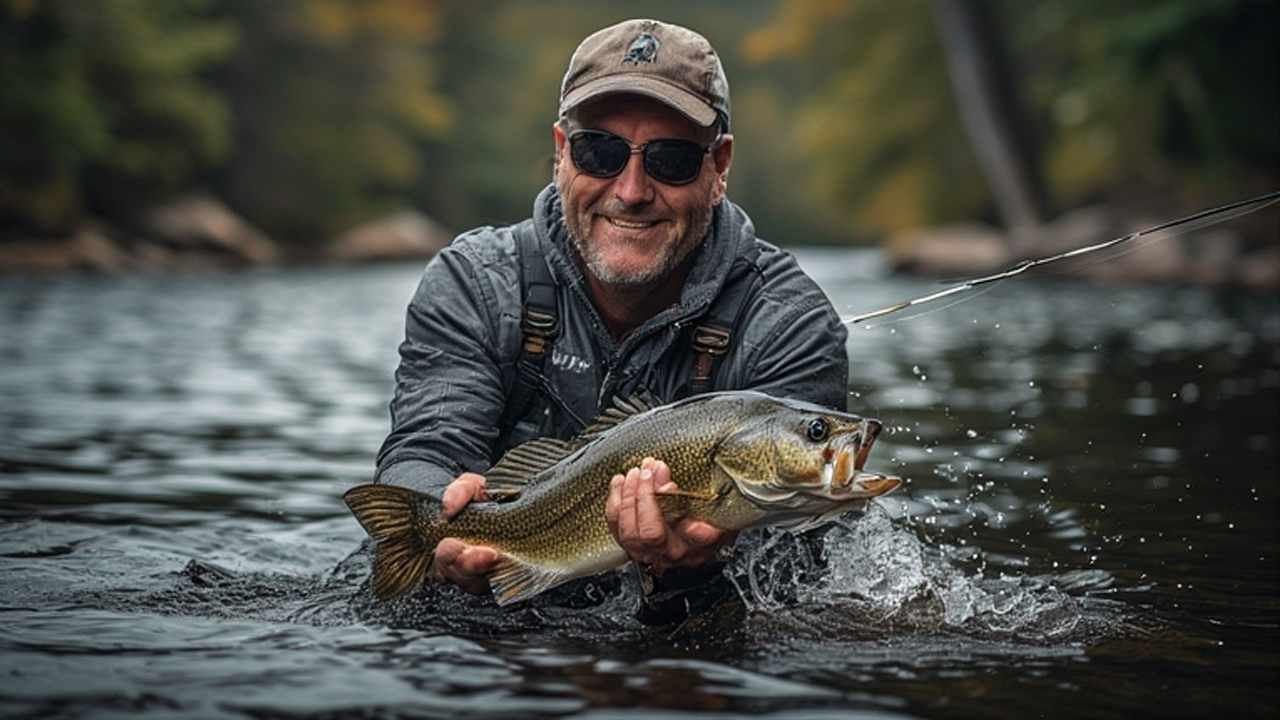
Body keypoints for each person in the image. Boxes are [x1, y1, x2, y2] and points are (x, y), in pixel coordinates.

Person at [374, 18, 849, 616]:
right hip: (499, 616)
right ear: (560, 153)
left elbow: (799, 573)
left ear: (719, 166)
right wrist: (433, 511)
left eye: (670, 160)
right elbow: (426, 446)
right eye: (599, 152)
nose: (629, 190)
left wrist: (696, 570)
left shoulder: (789, 323)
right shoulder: (475, 281)